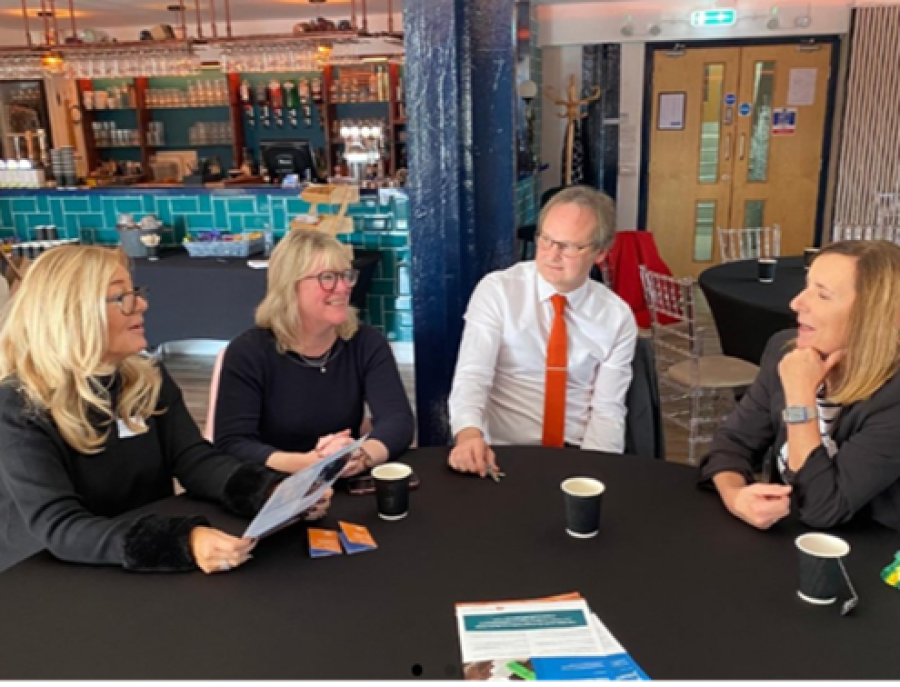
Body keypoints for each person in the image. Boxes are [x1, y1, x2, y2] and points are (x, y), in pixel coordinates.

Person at [0, 246, 331, 575]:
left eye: (136, 292)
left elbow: (194, 460)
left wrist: (272, 492)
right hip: (45, 577)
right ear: (72, 314)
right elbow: (60, 527)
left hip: (135, 563)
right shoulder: (17, 407)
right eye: (123, 298)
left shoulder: (145, 378)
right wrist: (181, 542)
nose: (142, 305)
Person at [699, 240, 900, 533]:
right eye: (806, 287)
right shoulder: (785, 349)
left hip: (867, 559)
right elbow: (731, 444)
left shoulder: (893, 395)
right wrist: (735, 496)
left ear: (875, 317)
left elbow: (824, 508)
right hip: (789, 541)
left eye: (822, 295)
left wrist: (800, 399)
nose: (796, 303)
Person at [448, 185, 638, 477]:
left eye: (570, 246)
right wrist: (469, 434)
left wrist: (593, 472)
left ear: (601, 253)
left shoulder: (616, 317)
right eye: (546, 240)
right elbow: (472, 376)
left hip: (576, 451)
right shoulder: (498, 290)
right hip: (500, 452)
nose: (552, 255)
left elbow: (607, 410)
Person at [213, 229, 415, 477]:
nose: (343, 288)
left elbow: (399, 421)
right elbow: (233, 443)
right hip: (272, 486)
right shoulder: (249, 352)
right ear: (290, 286)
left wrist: (360, 457)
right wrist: (308, 464)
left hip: (342, 479)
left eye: (346, 276)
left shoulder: (365, 342)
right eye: (328, 277)